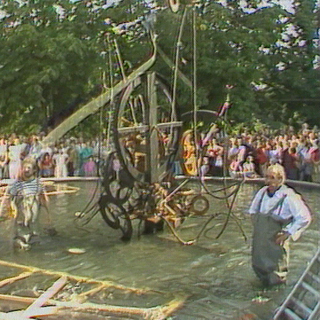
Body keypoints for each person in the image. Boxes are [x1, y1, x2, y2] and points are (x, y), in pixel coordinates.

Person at [248, 163, 311, 287]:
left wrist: (288, 233)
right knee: (259, 268)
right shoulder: (261, 192)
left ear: (280, 179)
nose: (268, 181)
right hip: (260, 243)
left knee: (276, 275)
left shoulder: (289, 196)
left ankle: (276, 299)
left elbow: (305, 217)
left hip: (275, 242)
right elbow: (252, 211)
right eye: (266, 177)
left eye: (272, 178)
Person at [9, 158, 56, 250]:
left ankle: (32, 237)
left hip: (34, 209)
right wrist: (12, 210)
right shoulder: (17, 184)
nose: (26, 170)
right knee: (22, 226)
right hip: (22, 211)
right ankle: (20, 240)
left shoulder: (38, 183)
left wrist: (48, 214)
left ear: (34, 170)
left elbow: (44, 197)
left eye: (28, 168)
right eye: (24, 168)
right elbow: (11, 199)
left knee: (34, 224)